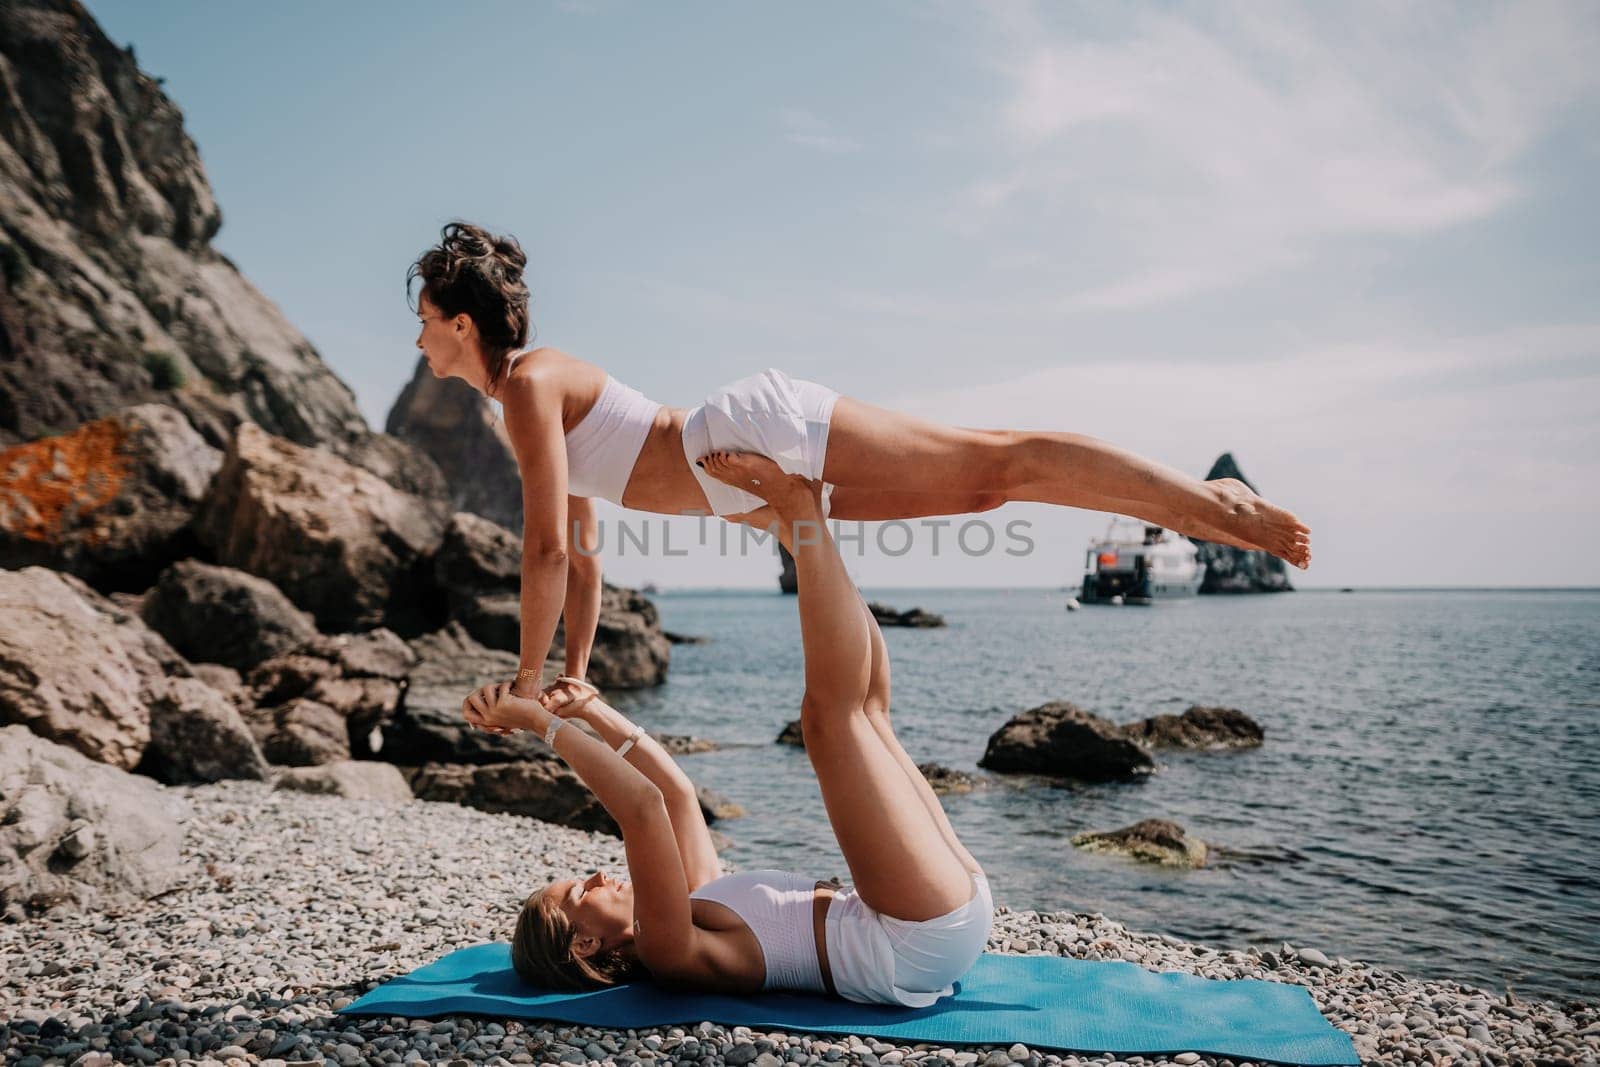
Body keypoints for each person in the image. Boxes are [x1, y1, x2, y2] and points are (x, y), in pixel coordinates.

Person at [411, 221, 1311, 709]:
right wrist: (574, 670)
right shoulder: (521, 397)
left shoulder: (529, 384)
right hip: (745, 486)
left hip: (749, 437)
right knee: (987, 491)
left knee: (993, 457)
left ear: (462, 322)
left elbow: (544, 554)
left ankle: (1204, 500)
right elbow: (583, 545)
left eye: (424, 318)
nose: (417, 337)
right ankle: (1195, 502)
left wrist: (528, 684)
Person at [463, 452, 993, 1005]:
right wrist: (539, 724)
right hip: (912, 938)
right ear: (586, 945)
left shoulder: (692, 903)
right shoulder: (669, 951)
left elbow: (674, 795)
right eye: (578, 892)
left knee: (868, 712)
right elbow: (641, 808)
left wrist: (592, 709)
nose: (596, 875)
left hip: (931, 916)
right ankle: (802, 516)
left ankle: (802, 527)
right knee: (831, 721)